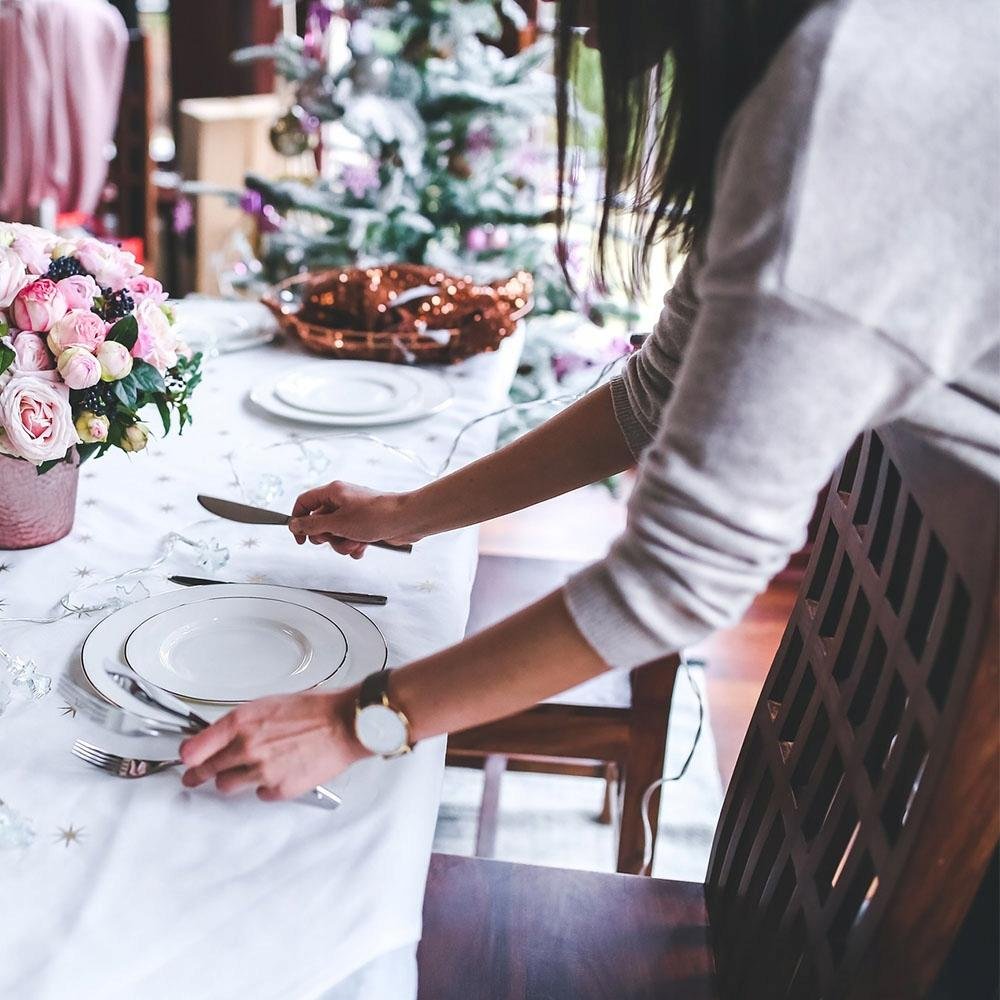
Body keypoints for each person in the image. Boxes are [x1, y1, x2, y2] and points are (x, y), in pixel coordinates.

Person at [180, 0, 999, 800]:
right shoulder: (826, 60)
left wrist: (356, 724)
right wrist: (407, 515)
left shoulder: (847, 97)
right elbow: (651, 398)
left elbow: (681, 575)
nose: (558, 14)